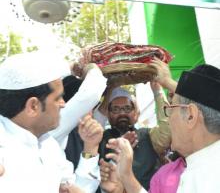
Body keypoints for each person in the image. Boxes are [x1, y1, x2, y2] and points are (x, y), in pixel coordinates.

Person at [102, 60, 220, 193]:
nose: (168, 119)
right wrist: (126, 176)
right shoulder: (201, 167)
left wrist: (166, 83)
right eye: (116, 109)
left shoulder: (208, 176)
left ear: (190, 116)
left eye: (171, 109)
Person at [0, 51, 103, 193]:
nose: (63, 104)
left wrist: (90, 149)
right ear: (33, 106)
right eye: (58, 98)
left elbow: (78, 189)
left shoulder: (48, 145)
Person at [99, 80, 171, 191]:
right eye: (116, 109)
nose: (122, 113)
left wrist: (158, 91)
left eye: (127, 108)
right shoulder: (99, 139)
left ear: (136, 113)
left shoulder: (148, 135)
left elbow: (167, 131)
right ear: (108, 114)